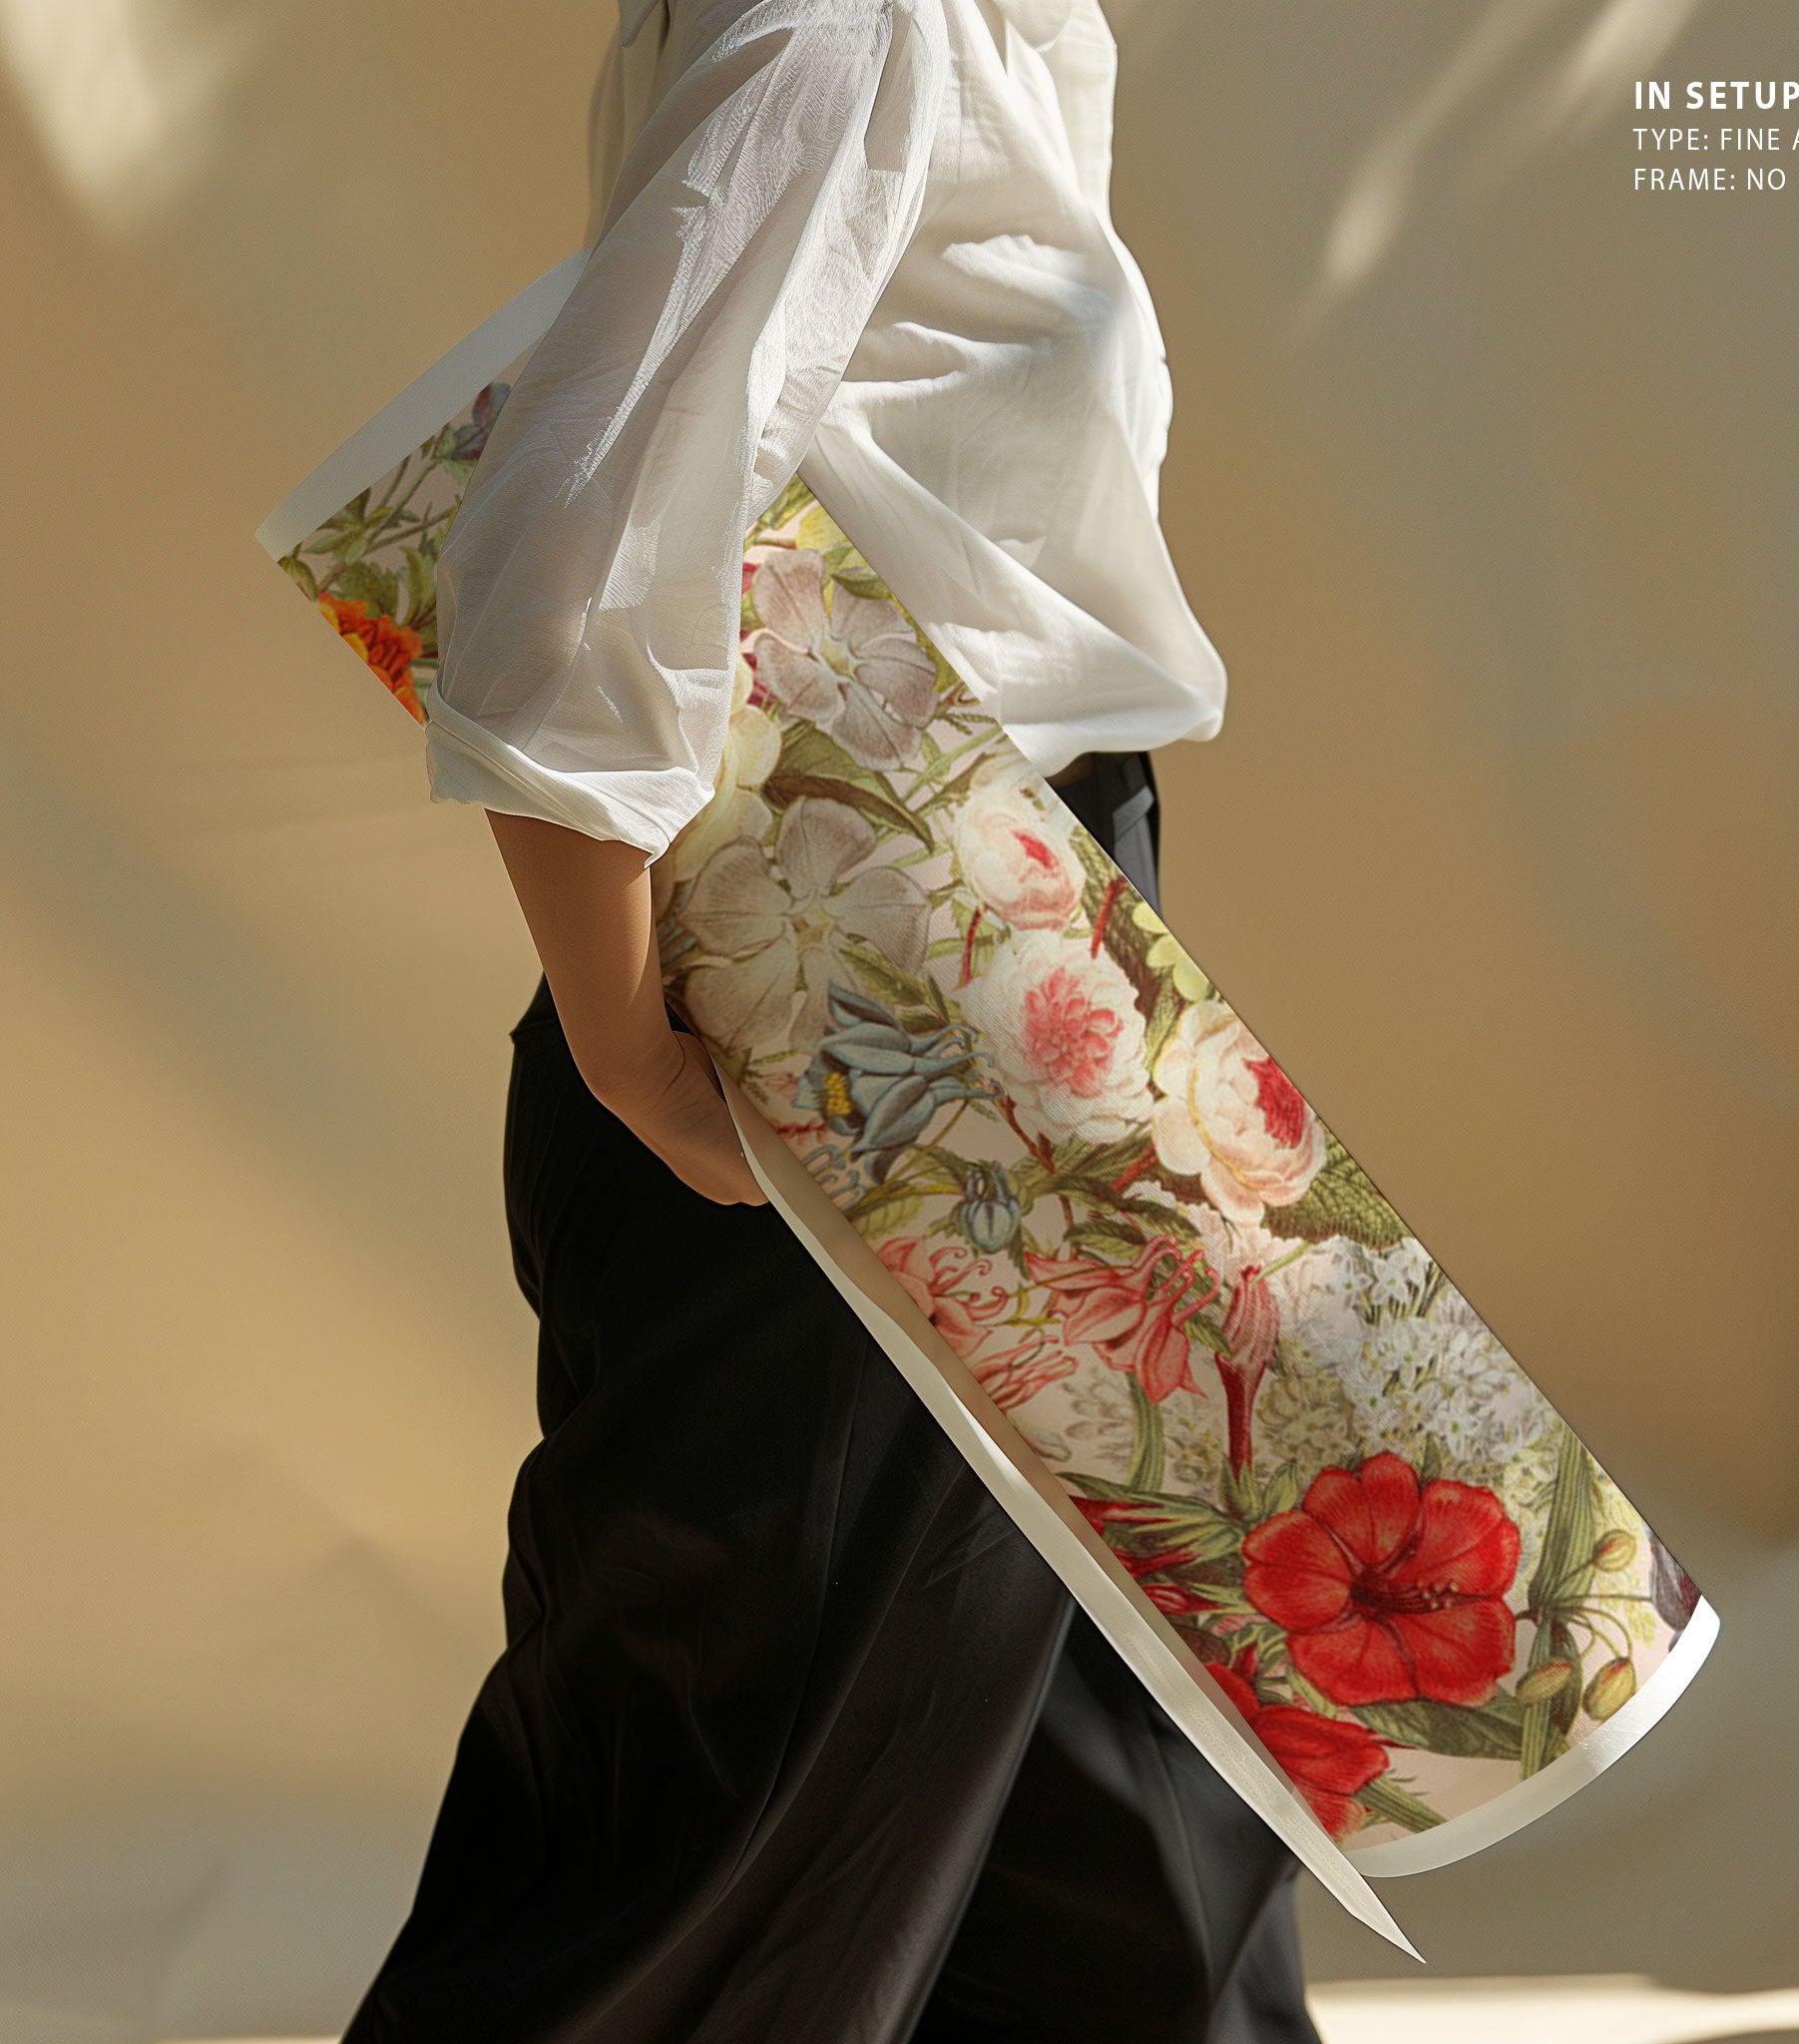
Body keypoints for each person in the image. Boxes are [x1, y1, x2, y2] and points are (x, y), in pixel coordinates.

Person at [340, 3, 1316, 2038]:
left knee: (1133, 1821)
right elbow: (575, 526)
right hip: (860, 977)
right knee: (693, 1848)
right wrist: (628, 1048)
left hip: (1027, 927)